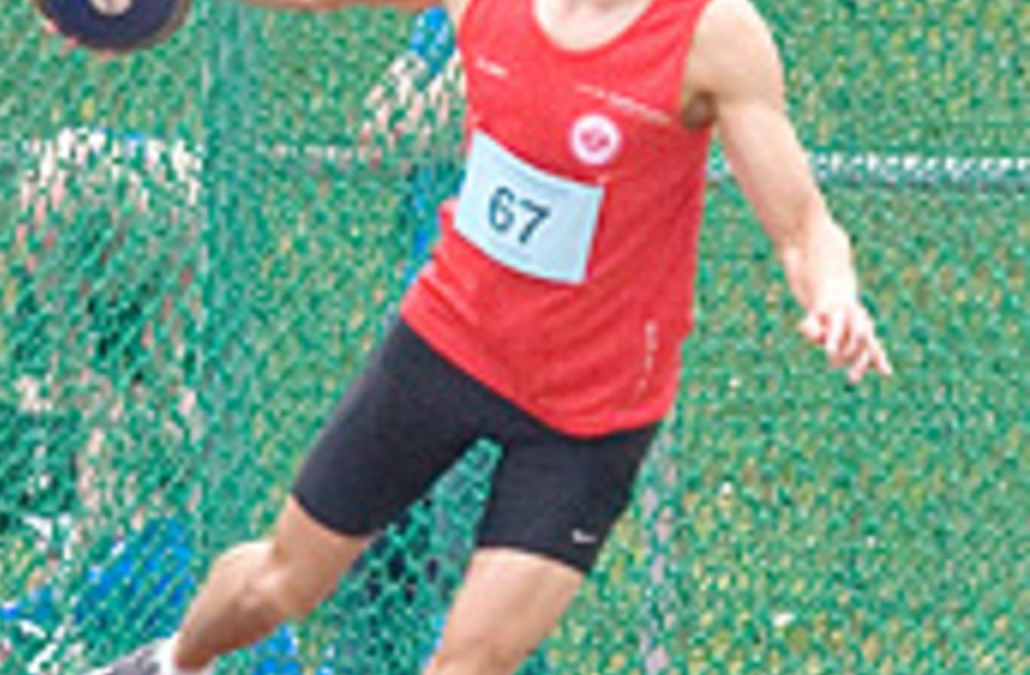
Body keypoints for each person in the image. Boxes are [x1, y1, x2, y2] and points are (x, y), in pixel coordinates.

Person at [68, 0, 893, 673]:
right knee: (279, 584)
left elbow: (803, 226)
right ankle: (168, 663)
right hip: (447, 346)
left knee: (473, 660)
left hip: (590, 413)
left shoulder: (712, 35)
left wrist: (835, 293)